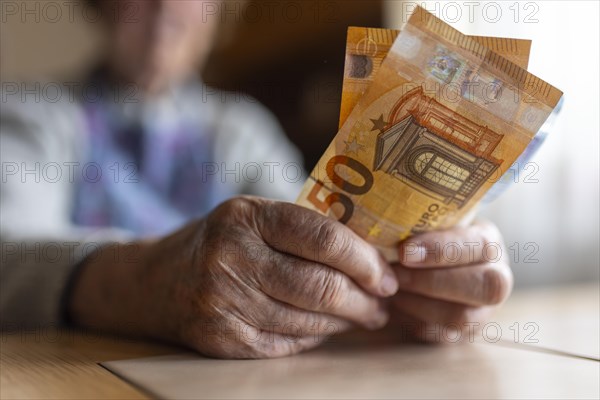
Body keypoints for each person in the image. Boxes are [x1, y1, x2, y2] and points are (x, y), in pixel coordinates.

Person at [0, 0, 512, 358]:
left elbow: (316, 233)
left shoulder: (240, 128)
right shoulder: (35, 114)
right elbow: (9, 251)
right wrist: (151, 279)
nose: (163, 4)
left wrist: (435, 262)